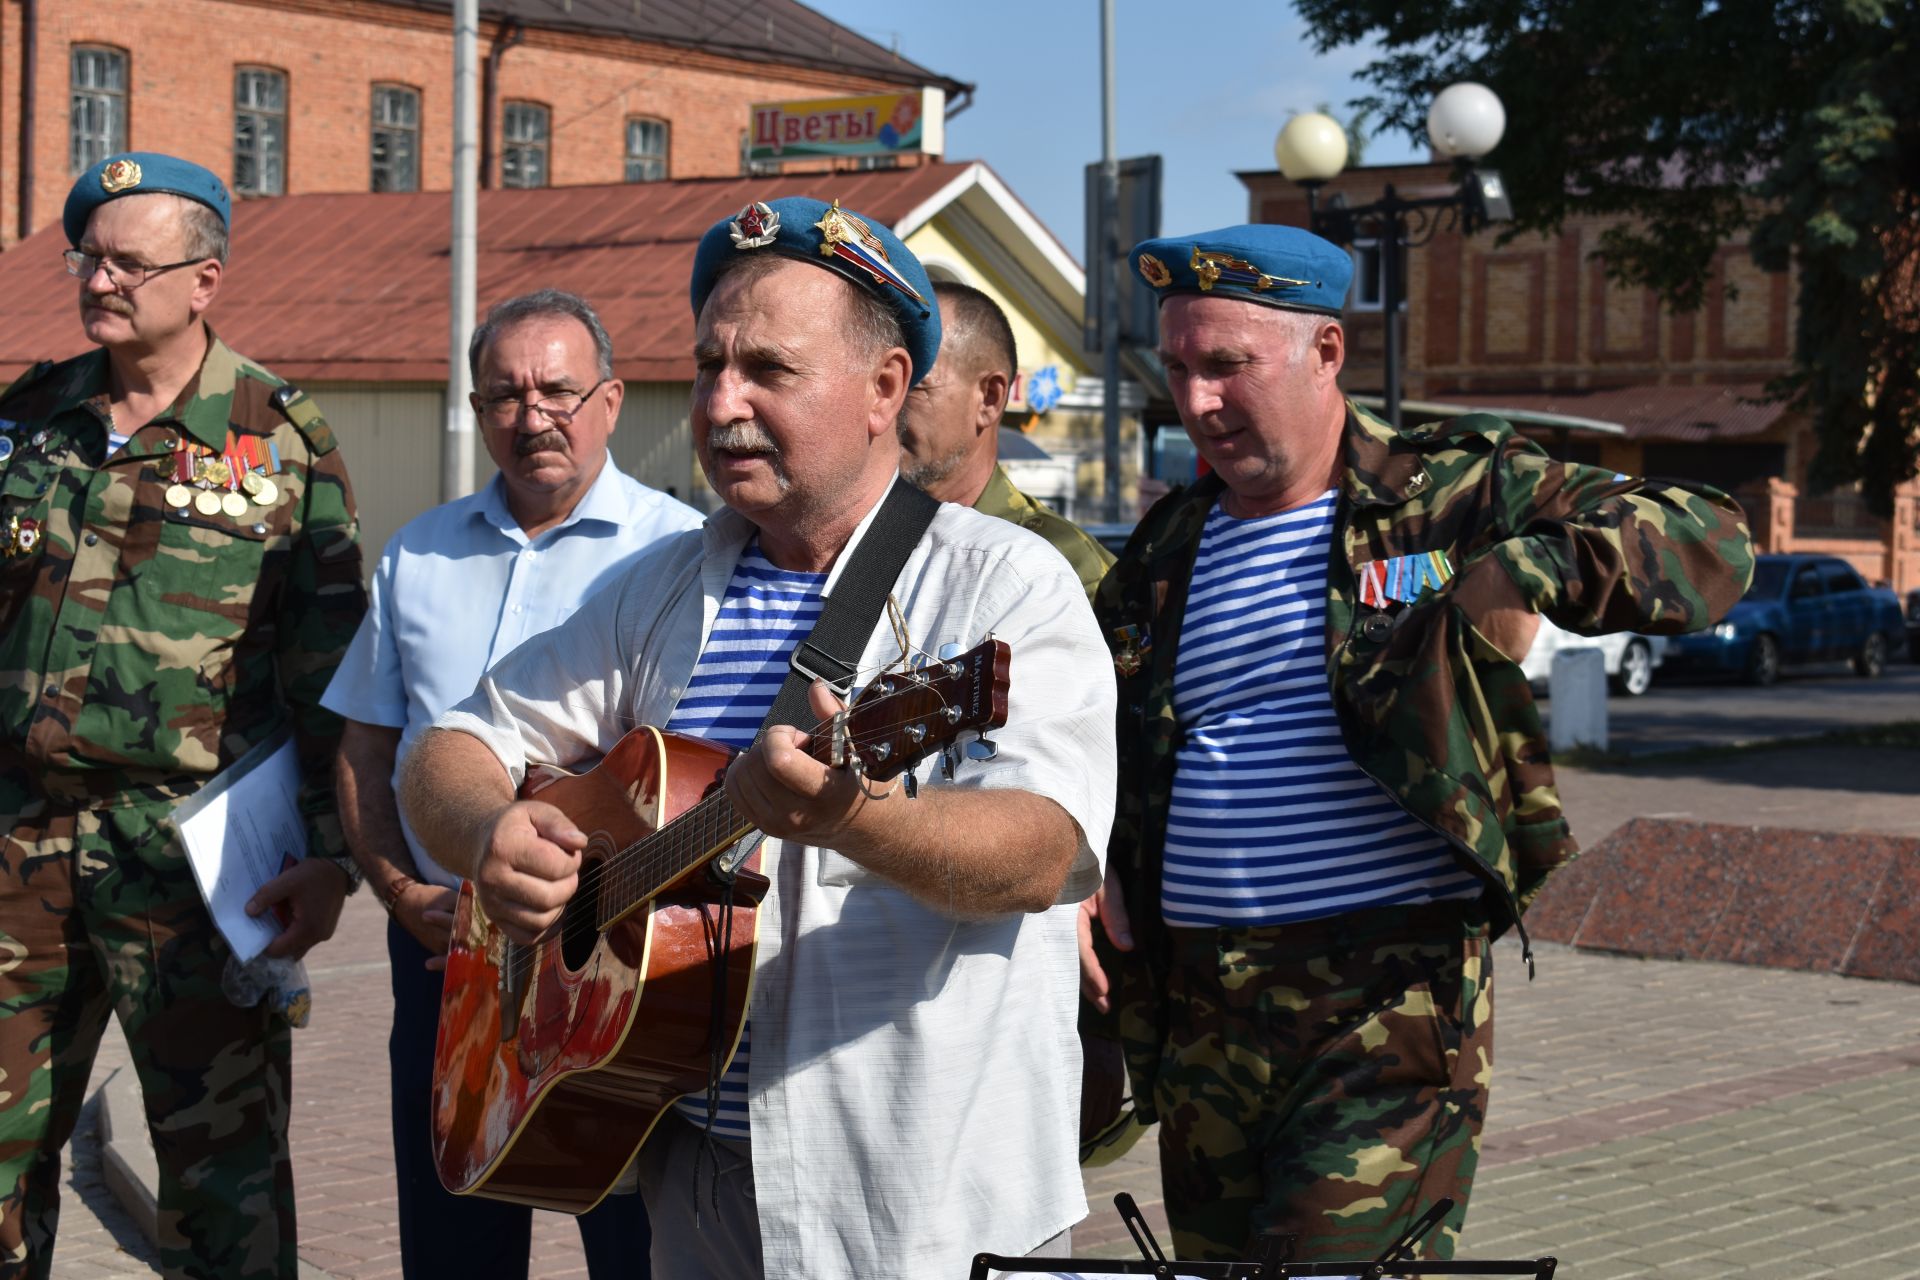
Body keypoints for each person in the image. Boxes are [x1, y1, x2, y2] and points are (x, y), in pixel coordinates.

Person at [397, 196, 1116, 1279]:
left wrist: (852, 816)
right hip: (693, 1176)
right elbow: (451, 744)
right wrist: (490, 831)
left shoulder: (1002, 581)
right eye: (706, 366)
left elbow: (1044, 850)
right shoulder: (661, 586)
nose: (722, 403)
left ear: (885, 391)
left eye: (768, 371)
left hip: (919, 1190)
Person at [1081, 223, 1755, 1264]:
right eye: (1177, 368)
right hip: (1203, 1011)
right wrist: (1084, 859)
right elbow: (1085, 727)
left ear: (1326, 352)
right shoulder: (1165, 552)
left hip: (1381, 1003)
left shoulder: (1445, 496)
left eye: (1227, 365)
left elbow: (1709, 534)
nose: (1197, 402)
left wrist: (1520, 572)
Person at [0, 153, 365, 1279]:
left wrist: (332, 858)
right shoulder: (29, 419)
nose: (99, 280)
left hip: (195, 866)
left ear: (203, 280)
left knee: (225, 1191)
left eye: (128, 262)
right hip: (18, 847)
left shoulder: (281, 444)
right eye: (88, 257)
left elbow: (332, 677)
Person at [323, 289, 701, 1278]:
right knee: (453, 1248)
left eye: (559, 391)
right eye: (505, 394)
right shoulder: (419, 553)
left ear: (612, 400)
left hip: (610, 972)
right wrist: (404, 894)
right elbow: (368, 751)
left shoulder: (683, 556)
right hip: (446, 959)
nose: (534, 416)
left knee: (633, 1247)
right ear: (477, 405)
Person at [897, 281, 1112, 601]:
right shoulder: (846, 542)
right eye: (881, 381)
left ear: (989, 399)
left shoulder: (1063, 568)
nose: (886, 405)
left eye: (915, 385)